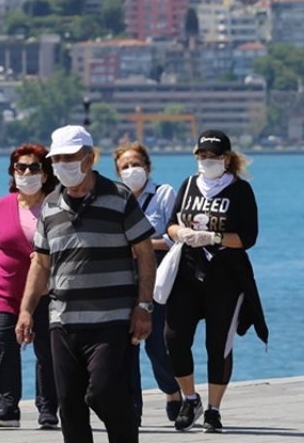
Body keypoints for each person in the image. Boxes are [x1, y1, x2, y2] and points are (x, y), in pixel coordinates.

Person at [15, 125, 156, 443]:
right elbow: (40, 262)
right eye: (57, 159)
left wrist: (144, 306)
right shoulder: (50, 205)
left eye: (70, 157)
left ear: (90, 159)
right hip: (63, 322)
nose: (62, 164)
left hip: (111, 320)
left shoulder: (119, 198)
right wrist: (25, 311)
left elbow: (145, 253)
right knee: (70, 408)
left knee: (103, 392)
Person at [163, 130, 268, 432]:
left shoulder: (240, 191)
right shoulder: (188, 185)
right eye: (202, 156)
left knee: (218, 344)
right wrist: (179, 234)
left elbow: (248, 238)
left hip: (226, 277)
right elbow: (171, 223)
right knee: (174, 337)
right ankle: (190, 397)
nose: (207, 161)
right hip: (187, 273)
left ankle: (213, 409)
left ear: (227, 159)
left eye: (214, 157)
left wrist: (214, 237)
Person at [0, 143, 60, 429]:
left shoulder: (57, 204)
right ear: (12, 172)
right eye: (20, 167)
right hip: (6, 294)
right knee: (3, 343)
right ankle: (7, 407)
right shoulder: (1, 207)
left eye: (34, 167)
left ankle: (48, 408)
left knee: (47, 351)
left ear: (45, 173)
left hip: (47, 293)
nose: (27, 172)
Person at [112, 142, 182, 422]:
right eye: (124, 167)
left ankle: (173, 391)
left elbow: (174, 235)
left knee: (156, 344)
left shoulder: (163, 193)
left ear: (147, 166)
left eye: (135, 164)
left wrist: (143, 246)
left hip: (157, 280)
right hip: (123, 278)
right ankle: (132, 408)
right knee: (127, 346)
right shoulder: (116, 198)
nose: (131, 170)